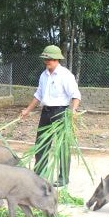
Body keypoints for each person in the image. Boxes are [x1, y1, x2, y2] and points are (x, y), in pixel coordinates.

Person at [20, 45, 81, 186]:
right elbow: (38, 95)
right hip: (46, 112)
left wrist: (74, 110)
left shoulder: (65, 75)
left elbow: (75, 95)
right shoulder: (44, 75)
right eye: (46, 59)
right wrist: (27, 110)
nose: (47, 61)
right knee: (41, 144)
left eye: (51, 59)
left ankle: (63, 178)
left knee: (62, 147)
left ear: (57, 59)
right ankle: (39, 175)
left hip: (60, 113)